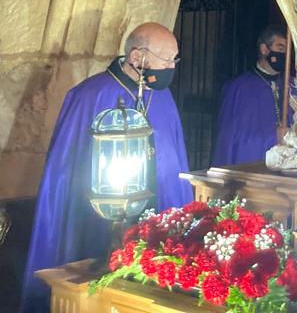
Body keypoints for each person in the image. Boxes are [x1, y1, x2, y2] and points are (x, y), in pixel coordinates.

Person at [20, 22, 193, 313]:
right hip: (95, 221)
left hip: (156, 214)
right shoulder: (90, 95)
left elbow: (173, 158)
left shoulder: (162, 95)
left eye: (175, 60)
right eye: (167, 59)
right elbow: (66, 171)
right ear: (137, 57)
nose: (172, 67)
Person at [212, 26, 289, 166]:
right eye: (281, 48)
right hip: (252, 167)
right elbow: (231, 138)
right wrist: (273, 137)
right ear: (264, 49)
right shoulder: (239, 88)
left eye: (288, 50)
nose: (286, 54)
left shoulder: (291, 86)